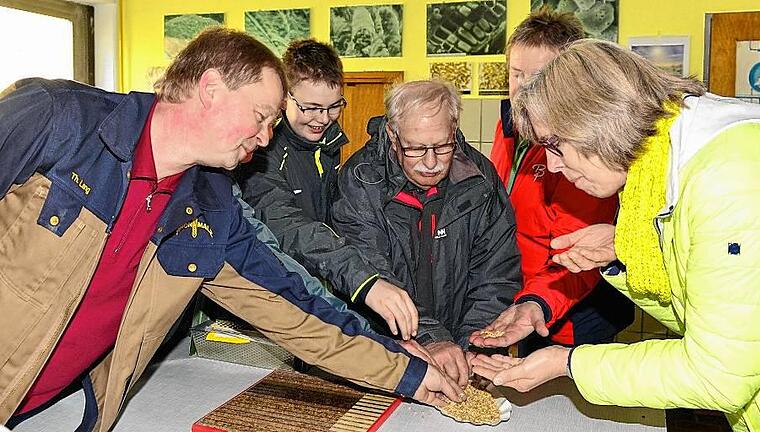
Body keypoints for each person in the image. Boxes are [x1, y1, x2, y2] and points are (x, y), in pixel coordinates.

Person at [0, 28, 463, 431]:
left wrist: (404, 371)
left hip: (56, 408)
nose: (265, 137)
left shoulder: (212, 208)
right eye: (261, 116)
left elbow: (296, 307)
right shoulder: (56, 118)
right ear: (211, 87)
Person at [471, 38, 760, 432]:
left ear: (596, 119)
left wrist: (567, 364)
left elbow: (718, 375)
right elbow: (698, 314)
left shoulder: (728, 178)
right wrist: (618, 250)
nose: (554, 168)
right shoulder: (653, 161)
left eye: (556, 147)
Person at [332, 79, 521, 389]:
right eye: (416, 149)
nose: (431, 163)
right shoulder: (360, 182)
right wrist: (433, 339)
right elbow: (372, 275)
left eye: (443, 146)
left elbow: (496, 274)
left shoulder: (480, 179)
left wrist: (475, 344)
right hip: (387, 350)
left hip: (459, 344)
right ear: (393, 134)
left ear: (455, 128)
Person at [470, 8, 634, 355]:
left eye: (539, 76)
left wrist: (536, 302)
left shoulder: (582, 150)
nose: (523, 89)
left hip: (573, 306)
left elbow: (579, 256)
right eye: (516, 74)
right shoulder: (508, 128)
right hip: (525, 294)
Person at [235, 39, 418, 340]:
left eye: (334, 106)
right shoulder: (262, 156)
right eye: (311, 108)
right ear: (284, 98)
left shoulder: (330, 145)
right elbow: (293, 228)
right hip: (280, 292)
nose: (323, 119)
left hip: (326, 283)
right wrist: (363, 281)